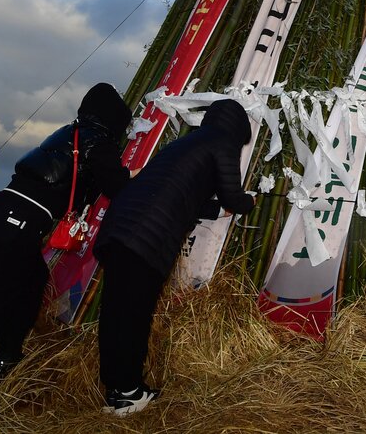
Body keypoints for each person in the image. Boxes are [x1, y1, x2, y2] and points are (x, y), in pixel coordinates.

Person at [0, 82, 134, 414]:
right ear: (113, 118)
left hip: (3, 213)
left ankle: (7, 362)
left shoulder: (68, 133)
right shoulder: (98, 142)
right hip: (17, 224)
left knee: (31, 284)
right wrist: (136, 176)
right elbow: (117, 187)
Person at [93, 97, 255, 416]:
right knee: (135, 315)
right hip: (147, 237)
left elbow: (179, 194)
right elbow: (232, 193)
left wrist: (218, 210)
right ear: (237, 127)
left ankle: (116, 391)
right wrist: (247, 201)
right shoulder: (223, 141)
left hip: (120, 227)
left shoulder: (187, 143)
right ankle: (129, 393)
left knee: (115, 312)